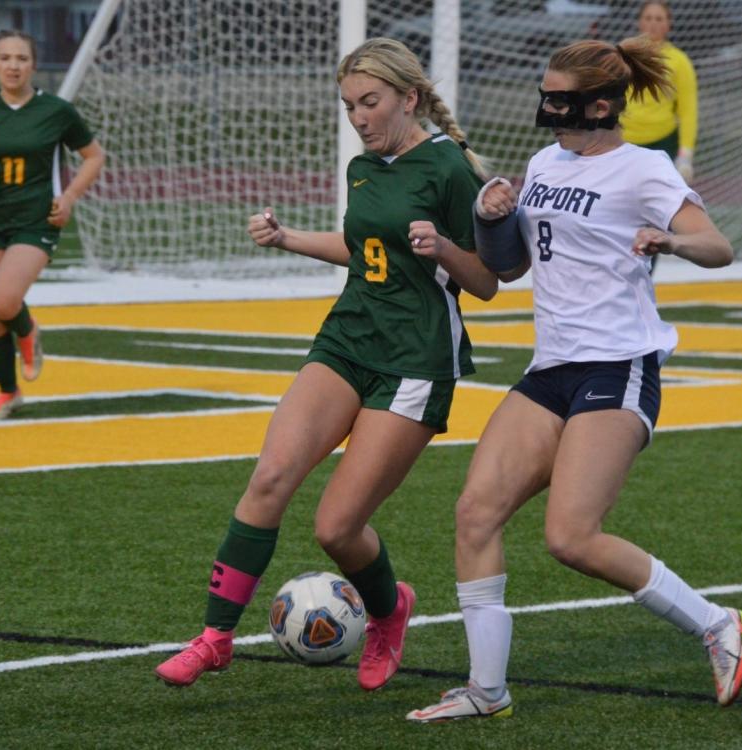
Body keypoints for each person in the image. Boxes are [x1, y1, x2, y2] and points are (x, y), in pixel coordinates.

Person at [407, 36, 742, 723]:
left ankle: (717, 624)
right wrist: (491, 216)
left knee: (571, 536)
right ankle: (487, 690)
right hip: (551, 369)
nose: (546, 108)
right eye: (545, 94)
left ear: (599, 105)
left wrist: (671, 241)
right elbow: (508, 269)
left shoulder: (643, 169)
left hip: (617, 367)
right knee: (475, 513)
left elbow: (719, 246)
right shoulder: (543, 162)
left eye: (558, 98)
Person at [154, 37, 498, 693]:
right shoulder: (362, 168)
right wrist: (286, 239)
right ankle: (215, 638)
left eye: (370, 102)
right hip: (346, 339)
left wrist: (445, 247)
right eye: (348, 106)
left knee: (337, 527)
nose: (359, 118)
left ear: (409, 97)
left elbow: (488, 281)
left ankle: (389, 609)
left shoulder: (452, 170)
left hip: (414, 359)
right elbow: (363, 246)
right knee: (270, 475)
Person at [0, 29, 104, 420]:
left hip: (36, 219)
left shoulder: (56, 111)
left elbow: (94, 156)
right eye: (5, 58)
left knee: (3, 301)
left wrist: (71, 196)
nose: (13, 65)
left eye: (21, 58)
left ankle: (27, 332)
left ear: (34, 65)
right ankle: (8, 393)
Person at [619, 1, 698, 275]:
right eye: (648, 17)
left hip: (661, 144)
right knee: (621, 208)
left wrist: (685, 154)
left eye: (659, 18)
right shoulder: (624, 56)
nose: (653, 23)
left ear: (668, 24)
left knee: (655, 215)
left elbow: (687, 110)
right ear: (640, 22)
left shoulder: (679, 61)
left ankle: (644, 272)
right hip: (623, 144)